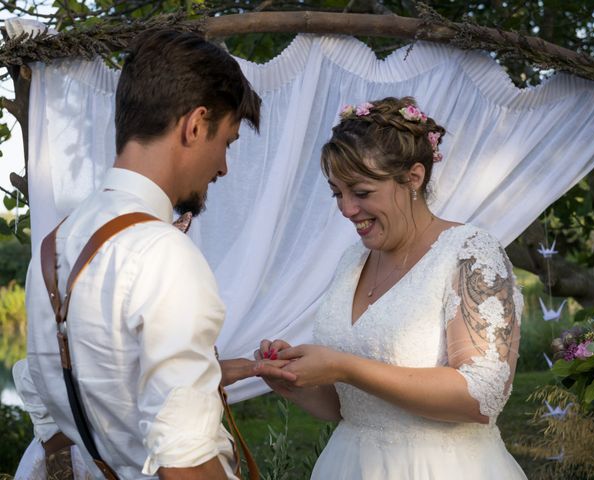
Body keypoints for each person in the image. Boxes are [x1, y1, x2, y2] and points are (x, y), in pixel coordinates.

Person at [15, 29, 293, 480]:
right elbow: (184, 463)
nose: (223, 166)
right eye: (227, 142)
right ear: (195, 125)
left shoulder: (57, 244)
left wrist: (211, 373)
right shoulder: (164, 255)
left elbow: (102, 384)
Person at [256, 97, 526, 479]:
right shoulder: (352, 261)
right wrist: (295, 382)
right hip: (348, 465)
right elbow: (347, 406)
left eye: (361, 193)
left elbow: (481, 397)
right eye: (337, 193)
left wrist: (343, 366)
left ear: (413, 178)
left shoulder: (469, 254)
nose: (347, 210)